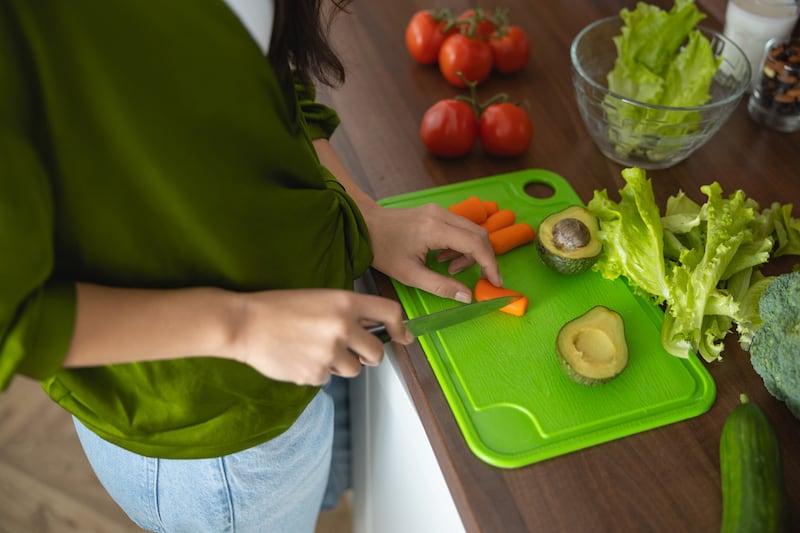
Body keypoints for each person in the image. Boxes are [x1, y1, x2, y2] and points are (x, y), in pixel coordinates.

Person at [0, 1, 502, 531]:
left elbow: (266, 83)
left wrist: (362, 214)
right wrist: (243, 326)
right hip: (213, 419)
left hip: (299, 340)